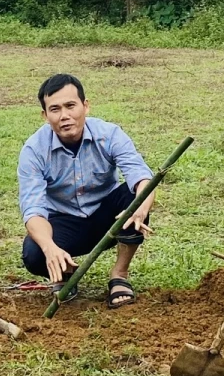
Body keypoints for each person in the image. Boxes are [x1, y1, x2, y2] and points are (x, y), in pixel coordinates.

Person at [17, 74, 156, 308]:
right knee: (34, 253)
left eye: (71, 106)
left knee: (135, 196)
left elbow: (142, 177)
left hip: (109, 218)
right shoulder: (34, 150)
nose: (64, 116)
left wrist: (139, 212)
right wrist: (50, 249)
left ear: (85, 106)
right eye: (55, 109)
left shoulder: (110, 134)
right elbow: (33, 209)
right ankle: (65, 275)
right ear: (45, 115)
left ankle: (119, 276)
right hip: (65, 222)